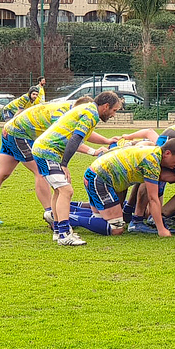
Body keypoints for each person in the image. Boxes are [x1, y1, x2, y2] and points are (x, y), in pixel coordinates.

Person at [0, 97, 95, 226]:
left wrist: (107, 141)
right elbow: (71, 139)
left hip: (12, 130)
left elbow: (82, 133)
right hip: (20, 134)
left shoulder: (70, 109)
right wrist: (92, 151)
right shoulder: (63, 114)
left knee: (0, 173)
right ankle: (51, 215)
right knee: (41, 170)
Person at [32, 91, 122, 246]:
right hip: (47, 151)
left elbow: (83, 135)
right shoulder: (91, 113)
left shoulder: (88, 109)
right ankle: (65, 234)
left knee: (59, 191)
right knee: (67, 191)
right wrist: (64, 164)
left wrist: (102, 143)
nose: (114, 114)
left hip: (45, 150)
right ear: (106, 106)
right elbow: (76, 138)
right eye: (114, 110)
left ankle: (58, 231)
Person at [80, 140, 175, 237]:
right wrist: (161, 229)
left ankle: (69, 212)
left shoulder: (154, 152)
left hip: (95, 175)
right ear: (167, 153)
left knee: (99, 218)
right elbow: (153, 199)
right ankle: (68, 218)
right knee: (116, 228)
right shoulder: (151, 162)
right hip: (99, 179)